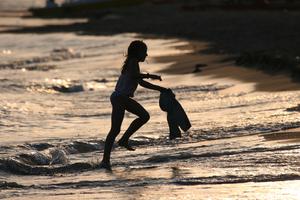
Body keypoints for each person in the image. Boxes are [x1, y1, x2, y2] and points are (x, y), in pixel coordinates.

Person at [99, 40, 167, 170]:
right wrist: (150, 75)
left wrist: (160, 89)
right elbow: (135, 76)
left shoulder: (132, 63)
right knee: (142, 117)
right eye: (144, 52)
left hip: (118, 97)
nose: (146, 55)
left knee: (120, 127)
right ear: (137, 52)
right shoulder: (133, 62)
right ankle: (109, 155)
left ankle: (109, 156)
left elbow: (141, 83)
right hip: (120, 98)